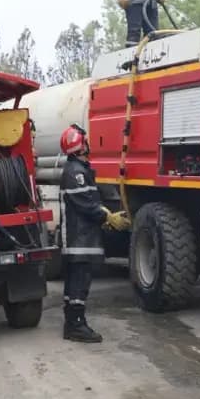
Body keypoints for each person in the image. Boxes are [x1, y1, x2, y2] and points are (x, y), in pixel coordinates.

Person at [58, 124, 130, 342]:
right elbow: (87, 205)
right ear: (80, 145)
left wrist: (105, 215)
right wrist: (107, 217)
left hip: (80, 237)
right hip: (80, 239)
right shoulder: (76, 172)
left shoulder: (76, 170)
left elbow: (89, 203)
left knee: (75, 282)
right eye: (85, 141)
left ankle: (73, 322)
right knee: (80, 281)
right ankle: (76, 326)